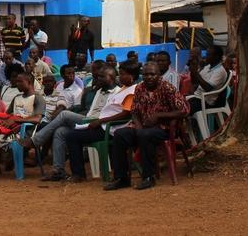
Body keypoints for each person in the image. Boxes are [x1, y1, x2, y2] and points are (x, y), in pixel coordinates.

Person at [36, 65, 130, 181]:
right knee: (60, 132)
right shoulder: (99, 91)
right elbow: (89, 111)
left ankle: (37, 140)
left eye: (102, 77)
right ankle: (58, 171)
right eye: (98, 76)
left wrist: (96, 120)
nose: (98, 78)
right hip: (88, 120)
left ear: (111, 78)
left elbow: (114, 114)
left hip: (102, 125)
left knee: (64, 115)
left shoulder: (118, 93)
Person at [105, 60, 189, 190]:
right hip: (142, 127)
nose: (148, 77)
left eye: (152, 74)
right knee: (120, 134)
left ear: (159, 75)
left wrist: (159, 116)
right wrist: (138, 126)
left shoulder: (167, 88)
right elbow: (134, 111)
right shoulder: (139, 88)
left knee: (145, 135)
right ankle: (121, 178)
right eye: (145, 74)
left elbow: (184, 110)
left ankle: (148, 177)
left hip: (163, 129)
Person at [188, 46, 229, 114]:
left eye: (208, 55)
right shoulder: (207, 67)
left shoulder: (220, 71)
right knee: (174, 104)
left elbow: (208, 88)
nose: (205, 56)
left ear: (216, 57)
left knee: (181, 109)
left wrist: (195, 73)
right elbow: (194, 82)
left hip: (205, 102)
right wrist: (193, 70)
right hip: (197, 97)